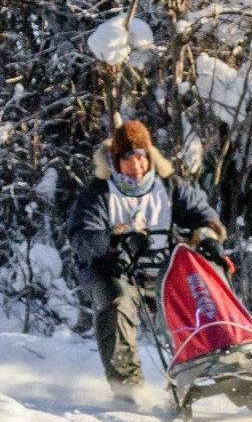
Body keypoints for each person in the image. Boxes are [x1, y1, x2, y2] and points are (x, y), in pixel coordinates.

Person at [67, 120, 226, 398]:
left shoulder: (170, 186)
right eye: (129, 160)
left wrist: (209, 235)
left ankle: (224, 362)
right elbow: (82, 239)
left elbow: (203, 214)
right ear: (116, 162)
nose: (137, 167)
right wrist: (116, 239)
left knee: (203, 293)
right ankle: (127, 387)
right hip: (113, 269)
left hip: (162, 269)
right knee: (117, 304)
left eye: (141, 158)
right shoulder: (98, 192)